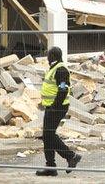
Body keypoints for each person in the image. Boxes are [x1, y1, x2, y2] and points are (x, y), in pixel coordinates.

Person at [36, 46, 81, 176]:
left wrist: (55, 106)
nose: (47, 57)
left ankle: (71, 156)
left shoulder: (61, 69)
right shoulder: (54, 68)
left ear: (53, 56)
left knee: (49, 135)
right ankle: (51, 167)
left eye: (48, 55)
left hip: (57, 107)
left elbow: (63, 89)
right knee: (47, 136)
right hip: (51, 106)